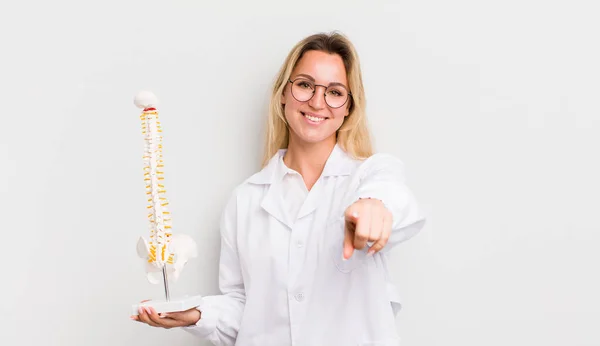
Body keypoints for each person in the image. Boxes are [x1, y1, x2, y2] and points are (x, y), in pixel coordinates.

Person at [131, 31, 426, 346]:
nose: (317, 101)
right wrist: (199, 315)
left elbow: (394, 198)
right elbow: (247, 308)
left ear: (348, 108)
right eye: (304, 85)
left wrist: (374, 206)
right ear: (283, 93)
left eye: (335, 92)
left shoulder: (369, 178)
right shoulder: (245, 200)